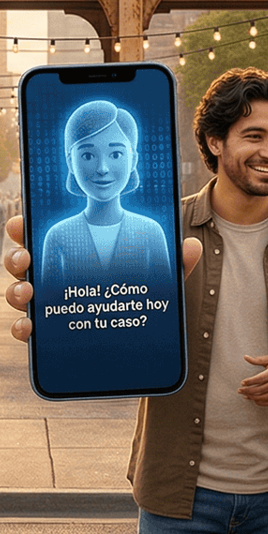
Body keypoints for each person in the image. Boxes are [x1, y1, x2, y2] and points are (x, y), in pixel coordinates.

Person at [5, 68, 268, 534]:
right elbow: (106, 324)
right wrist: (60, 325)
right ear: (215, 142)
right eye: (255, 135)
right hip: (179, 492)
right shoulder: (165, 231)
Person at [32, 100, 175, 360]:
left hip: (142, 355)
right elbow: (51, 316)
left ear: (134, 159)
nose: (102, 168)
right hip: (74, 357)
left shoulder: (151, 233)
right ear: (69, 161)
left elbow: (163, 311)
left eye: (116, 154)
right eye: (87, 155)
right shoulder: (58, 236)